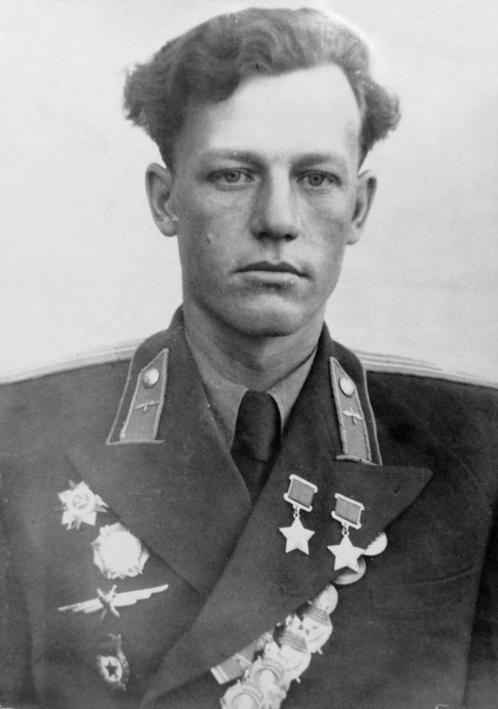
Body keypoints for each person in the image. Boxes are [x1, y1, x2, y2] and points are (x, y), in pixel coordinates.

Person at [1, 6, 497, 709]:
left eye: (316, 178)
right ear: (165, 199)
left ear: (359, 207)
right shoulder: (17, 440)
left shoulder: (478, 451)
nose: (278, 220)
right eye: (234, 175)